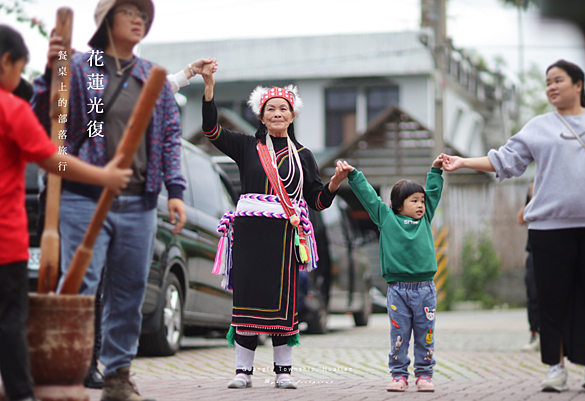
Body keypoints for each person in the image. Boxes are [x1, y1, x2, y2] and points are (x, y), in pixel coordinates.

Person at [31, 1, 187, 400]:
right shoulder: (81, 66)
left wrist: (176, 190)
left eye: (143, 15)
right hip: (83, 197)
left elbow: (170, 138)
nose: (139, 19)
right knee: (81, 283)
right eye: (129, 11)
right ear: (106, 21)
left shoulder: (151, 77)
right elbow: (47, 117)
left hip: (138, 201)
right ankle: (73, 367)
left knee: (131, 289)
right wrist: (52, 71)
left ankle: (117, 376)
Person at [442, 60, 585, 393]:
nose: (552, 87)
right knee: (552, 299)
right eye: (547, 83)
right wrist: (463, 162)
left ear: (579, 85)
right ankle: (555, 369)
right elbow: (505, 160)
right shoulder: (539, 126)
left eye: (559, 80)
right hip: (548, 228)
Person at [0, 24, 131, 401]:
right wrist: (102, 175)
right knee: (10, 318)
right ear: (7, 62)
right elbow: (52, 161)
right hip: (6, 241)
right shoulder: (10, 108)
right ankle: (22, 393)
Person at [198, 60, 348, 390]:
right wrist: (209, 87)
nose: (277, 113)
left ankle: (283, 372)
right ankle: (243, 372)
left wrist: (335, 183)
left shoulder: (304, 155)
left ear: (293, 116)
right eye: (271, 109)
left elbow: (317, 201)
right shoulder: (245, 146)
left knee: (283, 304)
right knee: (247, 301)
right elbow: (211, 131)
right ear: (261, 115)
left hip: (284, 238)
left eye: (283, 108)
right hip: (250, 234)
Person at [337, 156, 444, 393]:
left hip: (425, 289)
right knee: (399, 334)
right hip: (398, 290)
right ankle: (399, 376)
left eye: (422, 201)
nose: (420, 205)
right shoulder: (386, 218)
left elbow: (434, 191)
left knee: (425, 334)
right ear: (398, 205)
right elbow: (368, 197)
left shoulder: (425, 219)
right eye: (414, 200)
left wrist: (435, 170)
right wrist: (354, 175)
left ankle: (424, 375)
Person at [518, 183, 540, 353]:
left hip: (554, 251)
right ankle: (535, 334)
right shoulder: (533, 191)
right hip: (534, 252)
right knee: (533, 295)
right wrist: (532, 197)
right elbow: (521, 219)